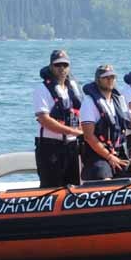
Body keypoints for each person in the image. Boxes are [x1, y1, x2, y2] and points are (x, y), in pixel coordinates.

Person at [80, 64, 131, 181]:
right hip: (98, 155)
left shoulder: (119, 100)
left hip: (118, 153)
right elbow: (88, 136)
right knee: (104, 178)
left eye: (112, 77)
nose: (110, 80)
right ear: (97, 80)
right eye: (106, 77)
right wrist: (109, 157)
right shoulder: (89, 102)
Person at [33, 48, 83, 188]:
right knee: (51, 188)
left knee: (74, 187)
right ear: (51, 67)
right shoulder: (42, 89)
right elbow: (44, 119)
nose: (62, 68)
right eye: (58, 65)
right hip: (50, 147)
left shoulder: (73, 90)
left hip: (72, 147)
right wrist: (73, 131)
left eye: (65, 65)